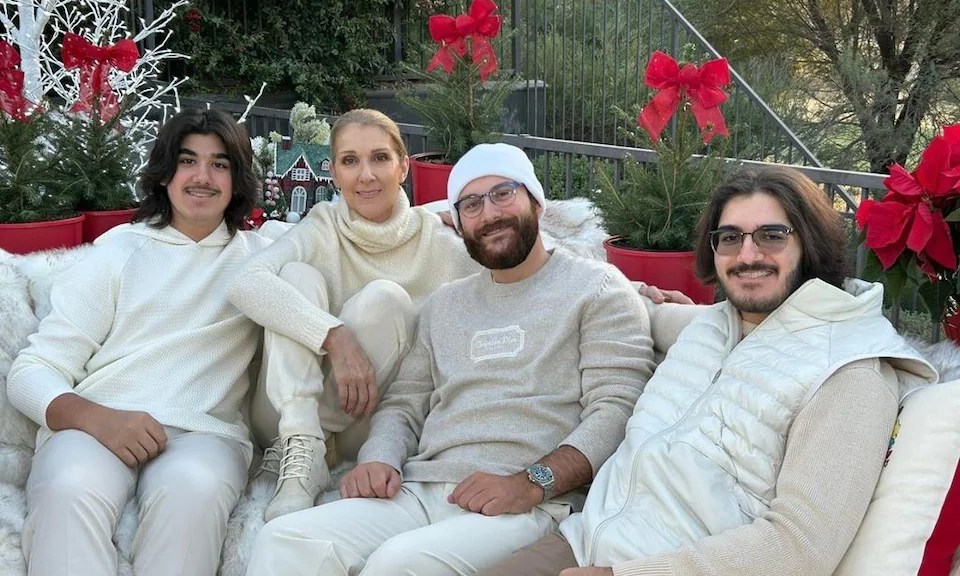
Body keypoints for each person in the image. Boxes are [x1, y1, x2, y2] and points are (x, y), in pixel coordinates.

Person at [475, 165, 939, 576]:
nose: (748, 255)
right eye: (730, 238)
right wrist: (634, 293)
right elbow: (650, 320)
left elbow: (801, 547)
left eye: (771, 236)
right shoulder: (712, 327)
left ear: (809, 243)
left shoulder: (849, 370)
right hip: (582, 539)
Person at [243, 142, 657, 575]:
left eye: (503, 193)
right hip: (421, 488)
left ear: (536, 202)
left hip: (526, 502)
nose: (489, 213)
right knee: (285, 540)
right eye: (471, 204)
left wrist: (532, 483)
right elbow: (404, 403)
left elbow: (616, 410)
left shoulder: (596, 289)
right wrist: (378, 459)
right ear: (458, 224)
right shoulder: (446, 303)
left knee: (397, 563)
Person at [6, 108, 270, 576]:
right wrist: (98, 419)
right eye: (187, 161)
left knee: (192, 493)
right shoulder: (118, 251)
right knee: (68, 489)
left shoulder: (263, 260)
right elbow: (32, 372)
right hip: (97, 424)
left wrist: (339, 338)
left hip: (205, 435)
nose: (202, 177)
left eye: (220, 164)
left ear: (238, 179)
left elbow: (340, 241)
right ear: (165, 173)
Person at [226, 108, 482, 521]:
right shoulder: (322, 225)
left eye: (380, 158)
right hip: (282, 421)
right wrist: (333, 336)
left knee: (385, 299)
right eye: (350, 161)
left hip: (363, 424)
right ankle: (303, 446)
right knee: (296, 275)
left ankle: (310, 448)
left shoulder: (438, 241)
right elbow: (244, 283)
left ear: (403, 167)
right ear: (334, 173)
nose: (366, 175)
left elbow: (509, 283)